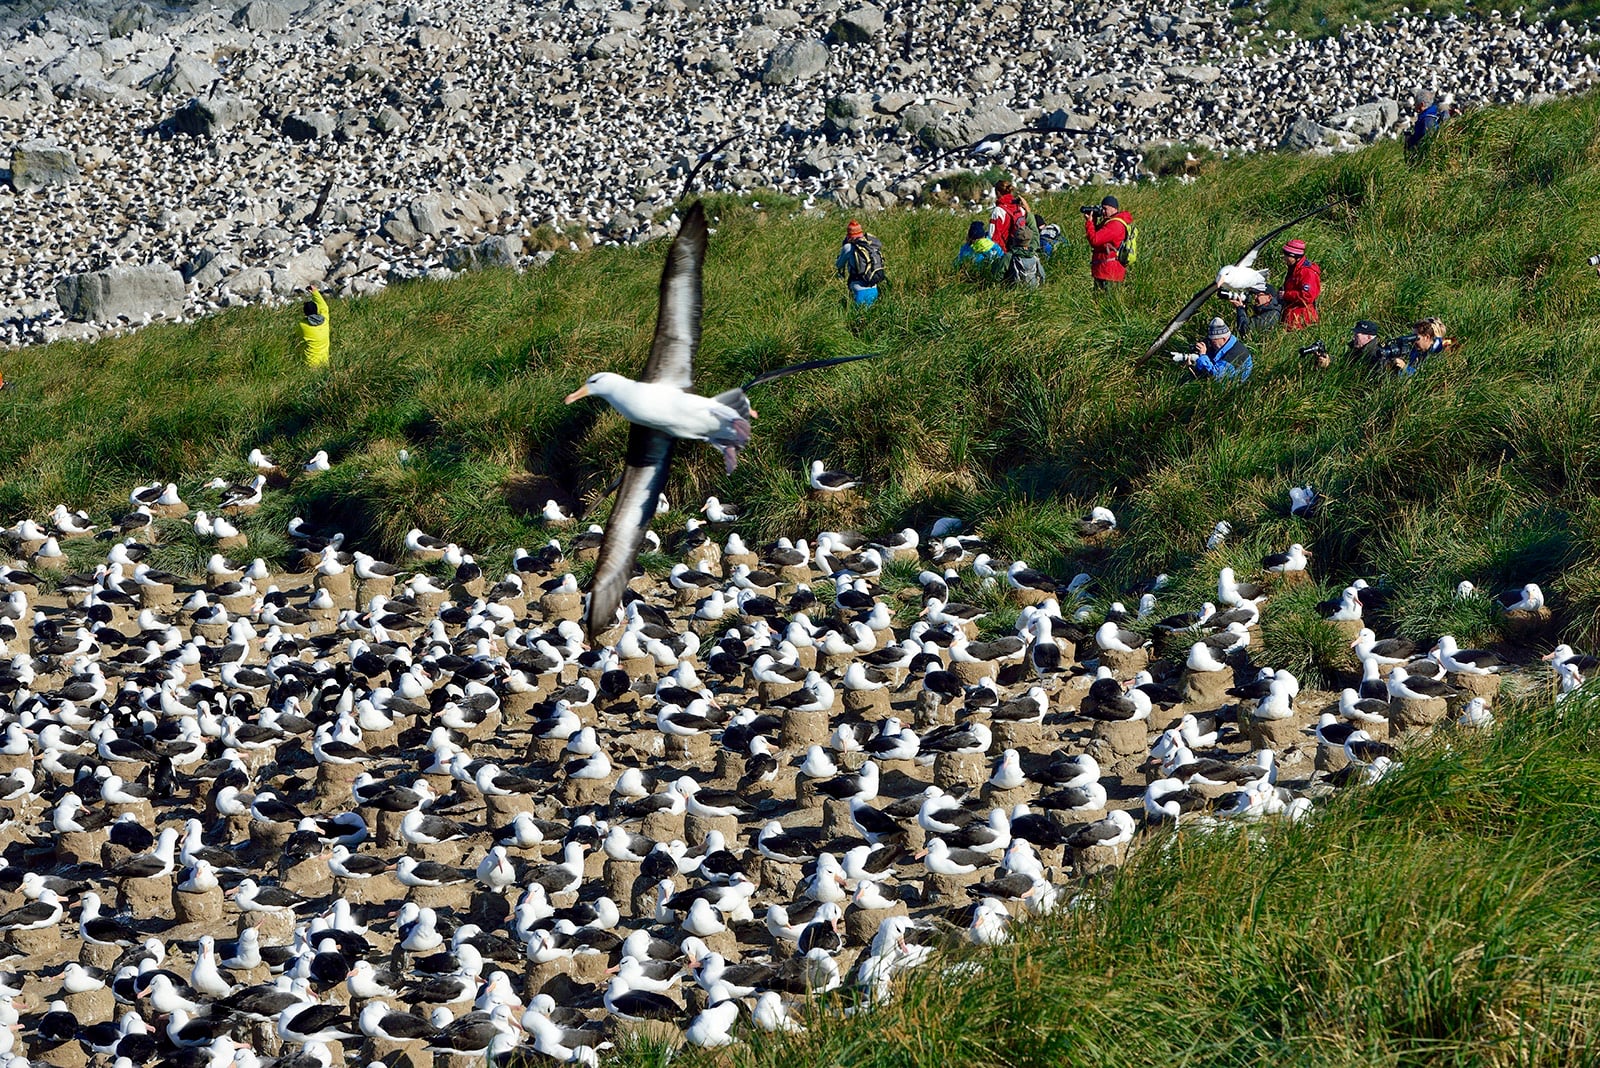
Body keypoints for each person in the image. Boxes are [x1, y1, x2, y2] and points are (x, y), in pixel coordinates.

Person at [1174, 316, 1253, 381]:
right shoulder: (1221, 344)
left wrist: (1202, 355)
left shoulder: (1235, 355)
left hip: (1229, 390)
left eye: (1213, 341)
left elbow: (1214, 376)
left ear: (1224, 338)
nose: (1211, 344)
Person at [1083, 194, 1132, 290]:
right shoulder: (1109, 222)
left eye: (1105, 209)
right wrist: (1093, 221)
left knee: (1105, 303)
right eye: (1102, 208)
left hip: (1109, 273)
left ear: (1114, 208)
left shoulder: (1115, 224)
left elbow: (1095, 240)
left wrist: (1089, 223)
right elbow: (1098, 235)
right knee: (1099, 303)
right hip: (1104, 271)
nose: (1103, 212)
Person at [834, 220, 885, 306]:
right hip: (874, 288)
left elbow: (838, 265)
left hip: (858, 290)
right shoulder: (870, 243)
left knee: (857, 318)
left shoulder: (849, 247)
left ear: (849, 235)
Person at [1279, 239, 1320, 329]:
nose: (1284, 258)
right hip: (1292, 316)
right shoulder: (1294, 268)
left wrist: (1286, 295)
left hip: (1302, 320)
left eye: (1287, 256)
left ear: (1296, 257)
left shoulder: (1307, 272)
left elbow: (1307, 296)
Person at [1313, 319, 1381, 370]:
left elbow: (1354, 375)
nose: (1353, 338)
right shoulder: (1359, 349)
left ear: (1369, 337)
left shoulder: (1374, 356)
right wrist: (1329, 359)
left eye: (1357, 335)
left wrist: (1329, 365)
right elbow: (1344, 362)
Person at [1003, 211, 1045, 288]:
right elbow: (1042, 274)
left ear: (1015, 239)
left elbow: (997, 274)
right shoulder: (1033, 254)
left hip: (1015, 289)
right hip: (1033, 288)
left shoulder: (1009, 256)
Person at [989, 180, 1028, 253]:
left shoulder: (998, 211)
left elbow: (993, 235)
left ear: (997, 192)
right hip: (1019, 248)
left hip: (1003, 251)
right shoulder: (1019, 208)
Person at [298, 284, 330, 368]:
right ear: (317, 310)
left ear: (305, 313)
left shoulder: (302, 325)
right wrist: (315, 292)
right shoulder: (325, 321)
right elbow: (324, 307)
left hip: (309, 364)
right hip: (324, 363)